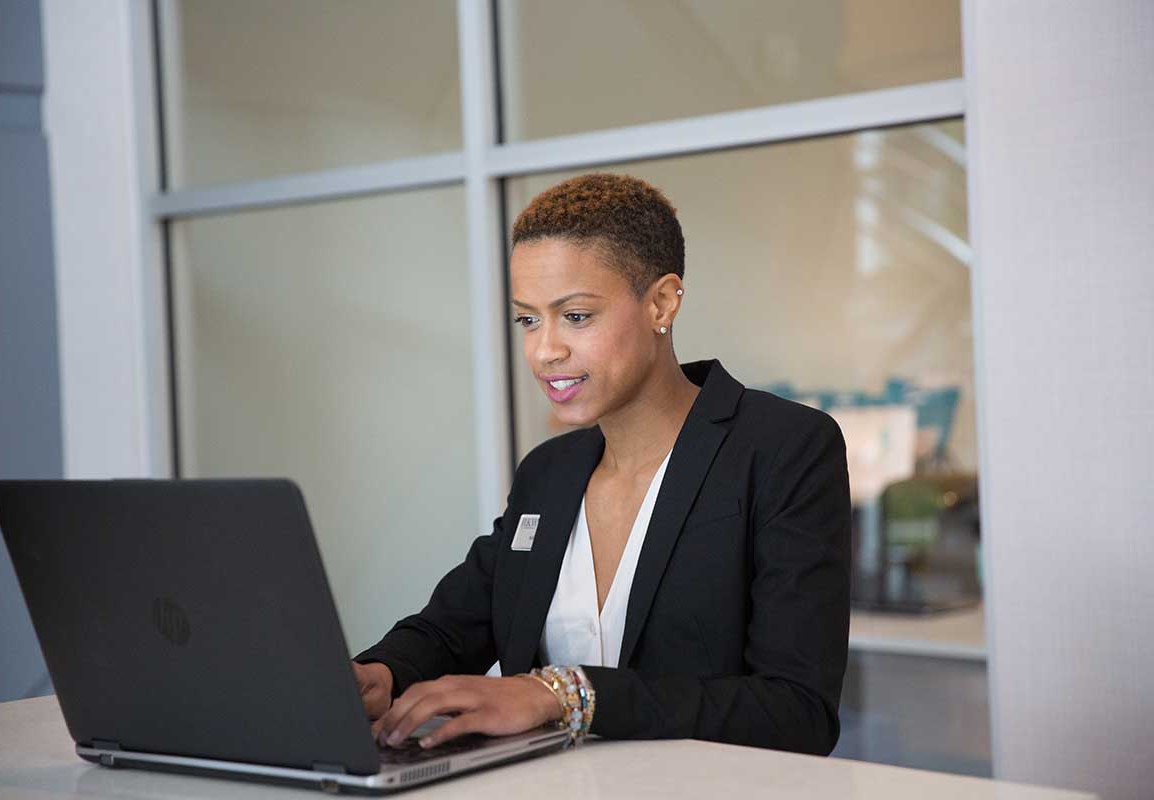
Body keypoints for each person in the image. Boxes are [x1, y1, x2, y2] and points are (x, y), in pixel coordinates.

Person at [351, 172, 851, 756]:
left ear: (661, 302)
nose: (545, 351)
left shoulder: (783, 448)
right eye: (528, 319)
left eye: (577, 316)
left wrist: (564, 694)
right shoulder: (550, 473)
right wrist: (383, 673)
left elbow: (798, 713)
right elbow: (457, 621)